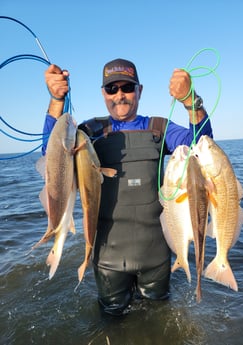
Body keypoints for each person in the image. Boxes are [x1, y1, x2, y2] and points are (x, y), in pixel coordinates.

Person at [42, 58, 213, 315]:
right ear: (103, 93)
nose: (120, 95)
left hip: (156, 256)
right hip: (108, 259)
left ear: (139, 90)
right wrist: (56, 101)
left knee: (159, 320)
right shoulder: (88, 132)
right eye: (112, 89)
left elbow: (203, 146)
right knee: (111, 321)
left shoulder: (159, 127)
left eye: (127, 88)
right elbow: (52, 154)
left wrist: (191, 101)